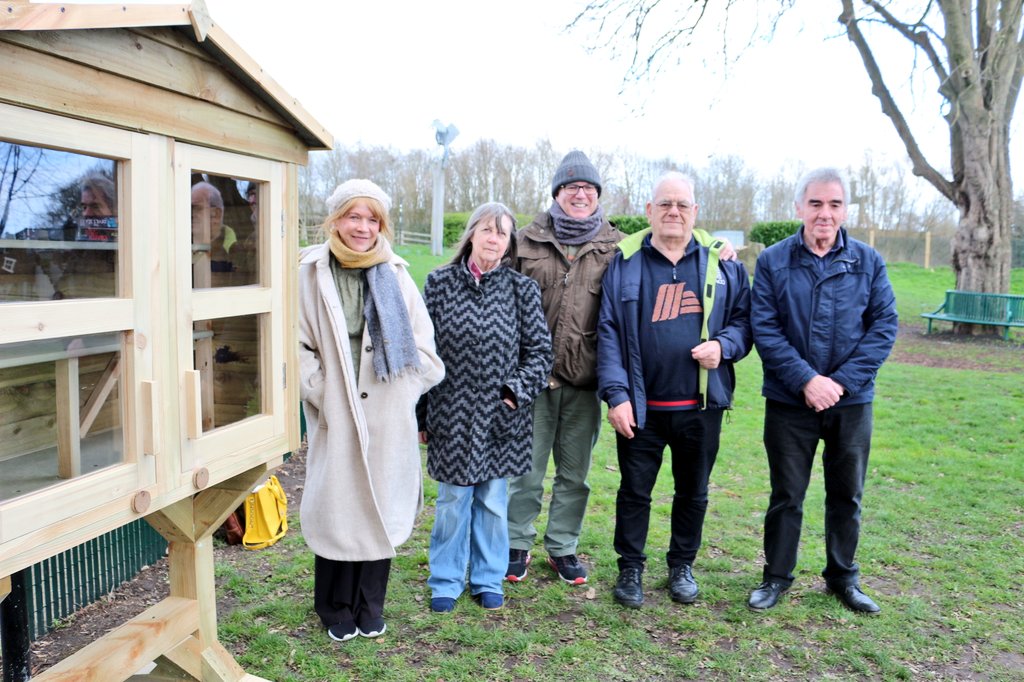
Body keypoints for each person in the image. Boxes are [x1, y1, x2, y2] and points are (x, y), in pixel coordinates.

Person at [297, 179, 444, 642]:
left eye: (372, 218)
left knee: (380, 502)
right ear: (335, 219)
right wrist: (320, 392)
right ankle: (335, 606)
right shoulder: (308, 272)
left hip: (386, 406)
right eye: (354, 216)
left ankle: (369, 604)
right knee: (339, 504)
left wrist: (403, 392)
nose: (363, 227)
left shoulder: (396, 273)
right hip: (337, 407)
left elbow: (424, 347)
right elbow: (296, 343)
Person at [597, 171, 752, 609]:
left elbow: (745, 322)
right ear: (649, 211)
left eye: (682, 205)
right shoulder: (625, 262)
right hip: (641, 407)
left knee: (693, 491)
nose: (673, 212)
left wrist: (724, 346)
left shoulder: (722, 264)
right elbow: (607, 331)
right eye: (665, 204)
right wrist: (616, 394)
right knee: (634, 492)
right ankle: (630, 568)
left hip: (701, 407)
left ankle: (682, 565)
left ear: (695, 213)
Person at [747, 167, 897, 615]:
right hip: (790, 400)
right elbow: (765, 329)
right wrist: (807, 380)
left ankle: (843, 578)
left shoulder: (868, 261)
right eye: (815, 204)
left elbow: (884, 327)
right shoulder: (773, 261)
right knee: (786, 495)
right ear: (799, 208)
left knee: (846, 493)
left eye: (834, 205)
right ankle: (776, 577)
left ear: (845, 210)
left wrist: (839, 383)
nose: (824, 214)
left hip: (851, 401)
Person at [419, 202, 552, 613]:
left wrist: (514, 392)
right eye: (488, 230)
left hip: (500, 415)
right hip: (451, 414)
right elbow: (423, 354)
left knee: (493, 502)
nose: (495, 239)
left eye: (503, 233)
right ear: (472, 234)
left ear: (509, 242)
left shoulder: (521, 289)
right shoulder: (439, 284)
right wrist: (421, 414)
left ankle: (487, 577)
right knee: (453, 502)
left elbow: (540, 353)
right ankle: (445, 580)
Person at [506, 150, 626, 585]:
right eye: (572, 187)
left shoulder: (616, 248)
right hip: (531, 381)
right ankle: (516, 543)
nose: (581, 194)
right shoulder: (524, 241)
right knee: (526, 471)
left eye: (589, 188)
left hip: (584, 380)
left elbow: (675, 244)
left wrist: (716, 245)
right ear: (557, 192)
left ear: (597, 197)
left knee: (575, 475)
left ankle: (563, 547)